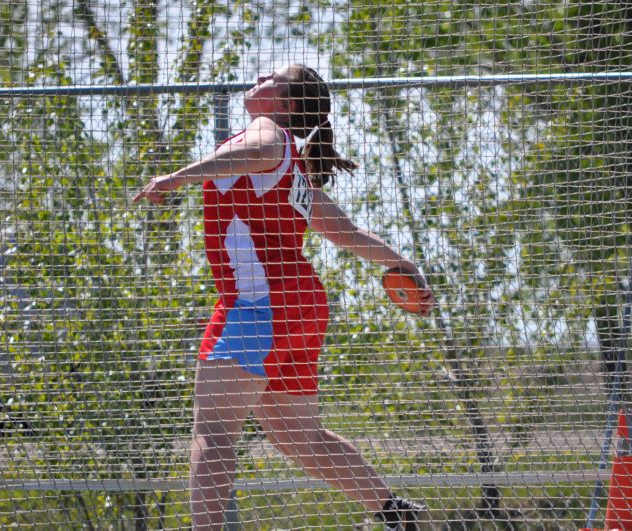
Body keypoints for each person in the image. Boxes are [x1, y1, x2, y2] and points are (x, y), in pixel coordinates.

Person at [134, 64, 436, 530]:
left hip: (260, 303)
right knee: (303, 439)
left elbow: (257, 149)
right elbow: (346, 232)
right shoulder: (296, 167)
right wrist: (404, 265)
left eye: (271, 76)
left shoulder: (267, 135)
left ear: (286, 102)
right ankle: (395, 514)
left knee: (213, 432)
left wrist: (176, 177)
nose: (258, 76)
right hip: (300, 305)